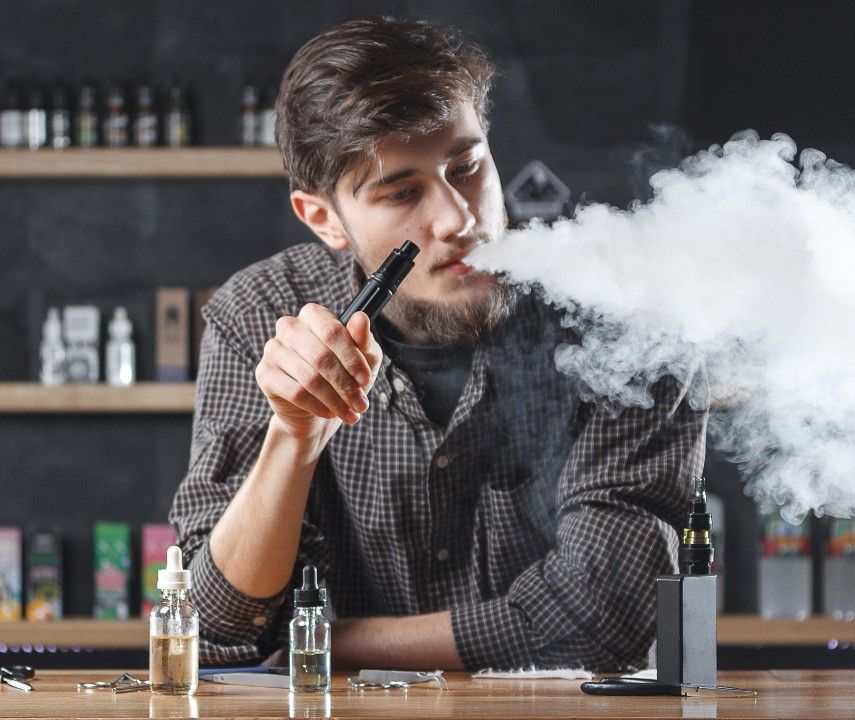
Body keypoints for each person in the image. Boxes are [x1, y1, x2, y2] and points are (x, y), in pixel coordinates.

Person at [169, 16, 707, 672]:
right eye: (401, 193)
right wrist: (293, 440)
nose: (459, 219)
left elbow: (603, 617)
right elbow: (223, 622)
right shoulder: (258, 314)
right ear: (322, 218)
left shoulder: (628, 319)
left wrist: (312, 648)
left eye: (468, 166)